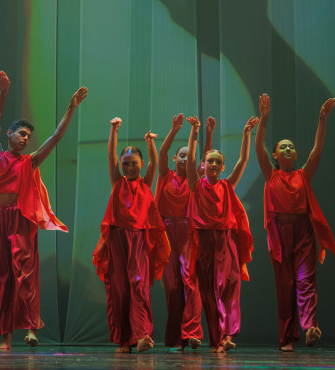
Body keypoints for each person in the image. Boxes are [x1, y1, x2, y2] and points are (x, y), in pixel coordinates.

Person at [0, 70, 88, 350]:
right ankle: (5, 339)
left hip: (21, 221)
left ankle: (31, 327)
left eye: (29, 136)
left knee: (26, 273)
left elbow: (55, 137)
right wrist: (4, 93)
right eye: (21, 133)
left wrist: (71, 107)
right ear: (9, 134)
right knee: (5, 277)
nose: (26, 139)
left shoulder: (29, 162)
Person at [255, 94, 335, 351]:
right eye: (283, 147)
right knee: (285, 285)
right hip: (281, 233)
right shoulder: (271, 174)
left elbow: (318, 150)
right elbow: (258, 147)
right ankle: (287, 338)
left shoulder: (303, 174)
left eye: (292, 146)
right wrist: (264, 120)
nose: (289, 149)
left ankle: (309, 326)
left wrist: (322, 121)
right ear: (275, 154)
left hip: (303, 232)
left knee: (305, 280)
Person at [92, 117, 170, 353]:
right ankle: (124, 341)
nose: (128, 168)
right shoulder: (118, 182)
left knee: (139, 287)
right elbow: (110, 156)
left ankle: (143, 335)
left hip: (138, 239)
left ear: (141, 164)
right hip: (117, 238)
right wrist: (113, 130)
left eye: (133, 163)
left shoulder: (146, 183)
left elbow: (155, 162)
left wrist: (150, 143)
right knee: (119, 290)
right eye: (125, 163)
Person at [184, 115, 257, 353]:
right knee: (208, 292)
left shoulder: (227, 185)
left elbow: (243, 160)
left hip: (225, 243)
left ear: (222, 167)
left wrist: (246, 134)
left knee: (229, 288)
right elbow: (191, 159)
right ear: (203, 165)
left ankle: (226, 335)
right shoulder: (196, 184)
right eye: (210, 161)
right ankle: (216, 340)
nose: (213, 165)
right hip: (205, 243)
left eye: (218, 162)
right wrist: (195, 132)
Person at [154, 113, 205, 351]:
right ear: (175, 158)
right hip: (165, 234)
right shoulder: (165, 176)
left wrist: (197, 133)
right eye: (181, 155)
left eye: (188, 156)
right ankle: (176, 339)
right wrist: (174, 130)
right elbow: (161, 154)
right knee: (173, 288)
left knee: (190, 282)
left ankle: (193, 333)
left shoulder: (195, 181)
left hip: (187, 234)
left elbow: (197, 159)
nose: (184, 159)